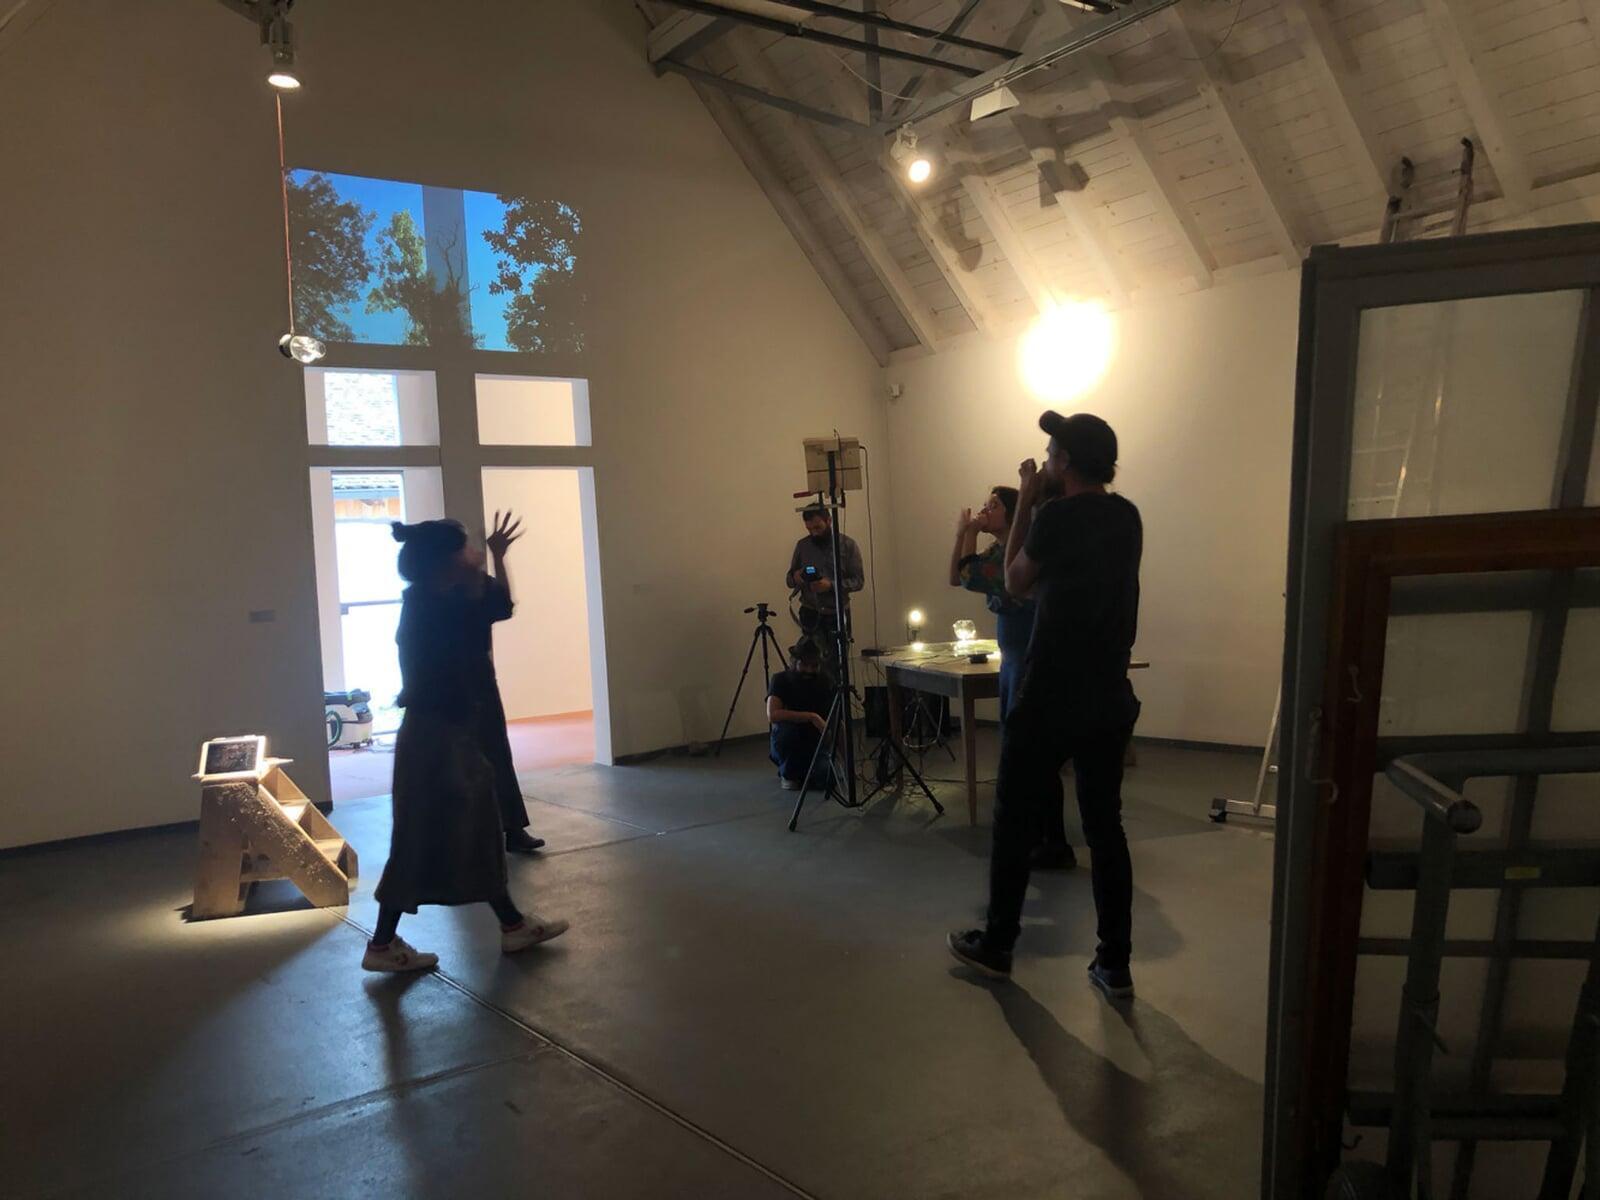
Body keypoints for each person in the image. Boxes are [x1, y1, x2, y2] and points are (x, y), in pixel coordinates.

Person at [947, 412, 1142, 1000]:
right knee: (1105, 827)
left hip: (1052, 691)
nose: (1047, 460)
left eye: (1052, 453)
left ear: (1065, 463)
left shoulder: (1055, 517)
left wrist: (1028, 499)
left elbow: (1013, 581)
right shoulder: (1127, 516)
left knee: (1013, 817)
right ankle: (1114, 963)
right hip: (1108, 692)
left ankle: (998, 945)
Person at [362, 513, 568, 972]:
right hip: (439, 738)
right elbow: (484, 610)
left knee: (453, 833)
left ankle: (510, 925)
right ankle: (386, 944)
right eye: (464, 549)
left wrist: (495, 556)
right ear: (446, 562)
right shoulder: (433, 609)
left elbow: (497, 607)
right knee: (439, 833)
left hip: (440, 735)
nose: (471, 555)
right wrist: (485, 564)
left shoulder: (434, 600)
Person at [950, 486, 1076, 871]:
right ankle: (1039, 836)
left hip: (1026, 653)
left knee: (1030, 749)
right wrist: (963, 534)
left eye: (994, 505)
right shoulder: (998, 550)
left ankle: (1049, 840)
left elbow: (968, 575)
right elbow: (957, 576)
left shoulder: (1017, 554)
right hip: (1013, 654)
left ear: (1013, 513)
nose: (985, 509)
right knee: (1021, 748)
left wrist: (968, 532)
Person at [785, 505, 864, 675]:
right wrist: (796, 577)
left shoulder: (848, 545)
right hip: (810, 612)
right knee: (808, 666)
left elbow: (858, 581)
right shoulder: (803, 546)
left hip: (837, 613)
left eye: (817, 527)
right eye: (809, 529)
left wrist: (831, 585)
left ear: (829, 520)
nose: (814, 533)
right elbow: (789, 579)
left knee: (836, 667)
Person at [767, 641, 834, 791]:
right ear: (794, 662)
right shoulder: (780, 679)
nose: (809, 670)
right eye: (804, 665)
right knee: (788, 734)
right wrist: (811, 717)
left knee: (826, 778)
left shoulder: (825, 682)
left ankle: (804, 771)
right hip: (789, 738)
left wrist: (847, 763)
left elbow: (835, 719)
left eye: (814, 666)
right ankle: (789, 773)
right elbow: (773, 714)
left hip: (815, 742)